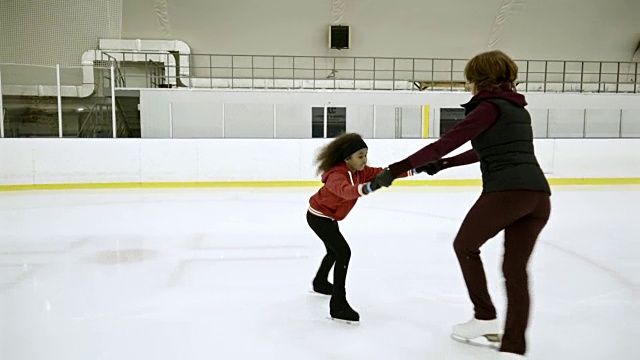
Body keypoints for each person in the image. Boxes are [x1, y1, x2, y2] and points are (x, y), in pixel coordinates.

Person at [371, 50, 551, 358]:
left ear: (477, 79)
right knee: (515, 271)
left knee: (465, 246)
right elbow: (485, 149)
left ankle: (484, 316)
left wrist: (395, 169)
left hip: (507, 192)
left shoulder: (487, 107)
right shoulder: (517, 109)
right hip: (538, 198)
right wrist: (444, 165)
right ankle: (513, 347)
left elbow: (445, 142)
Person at [307, 133, 426, 323]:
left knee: (334, 251)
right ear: (347, 158)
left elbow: (385, 172)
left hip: (328, 217)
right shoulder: (336, 176)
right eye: (360, 156)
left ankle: (320, 282)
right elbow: (346, 192)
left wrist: (418, 169)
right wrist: (369, 188)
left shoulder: (360, 172)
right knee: (343, 253)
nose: (364, 159)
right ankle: (338, 305)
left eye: (365, 154)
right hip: (318, 217)